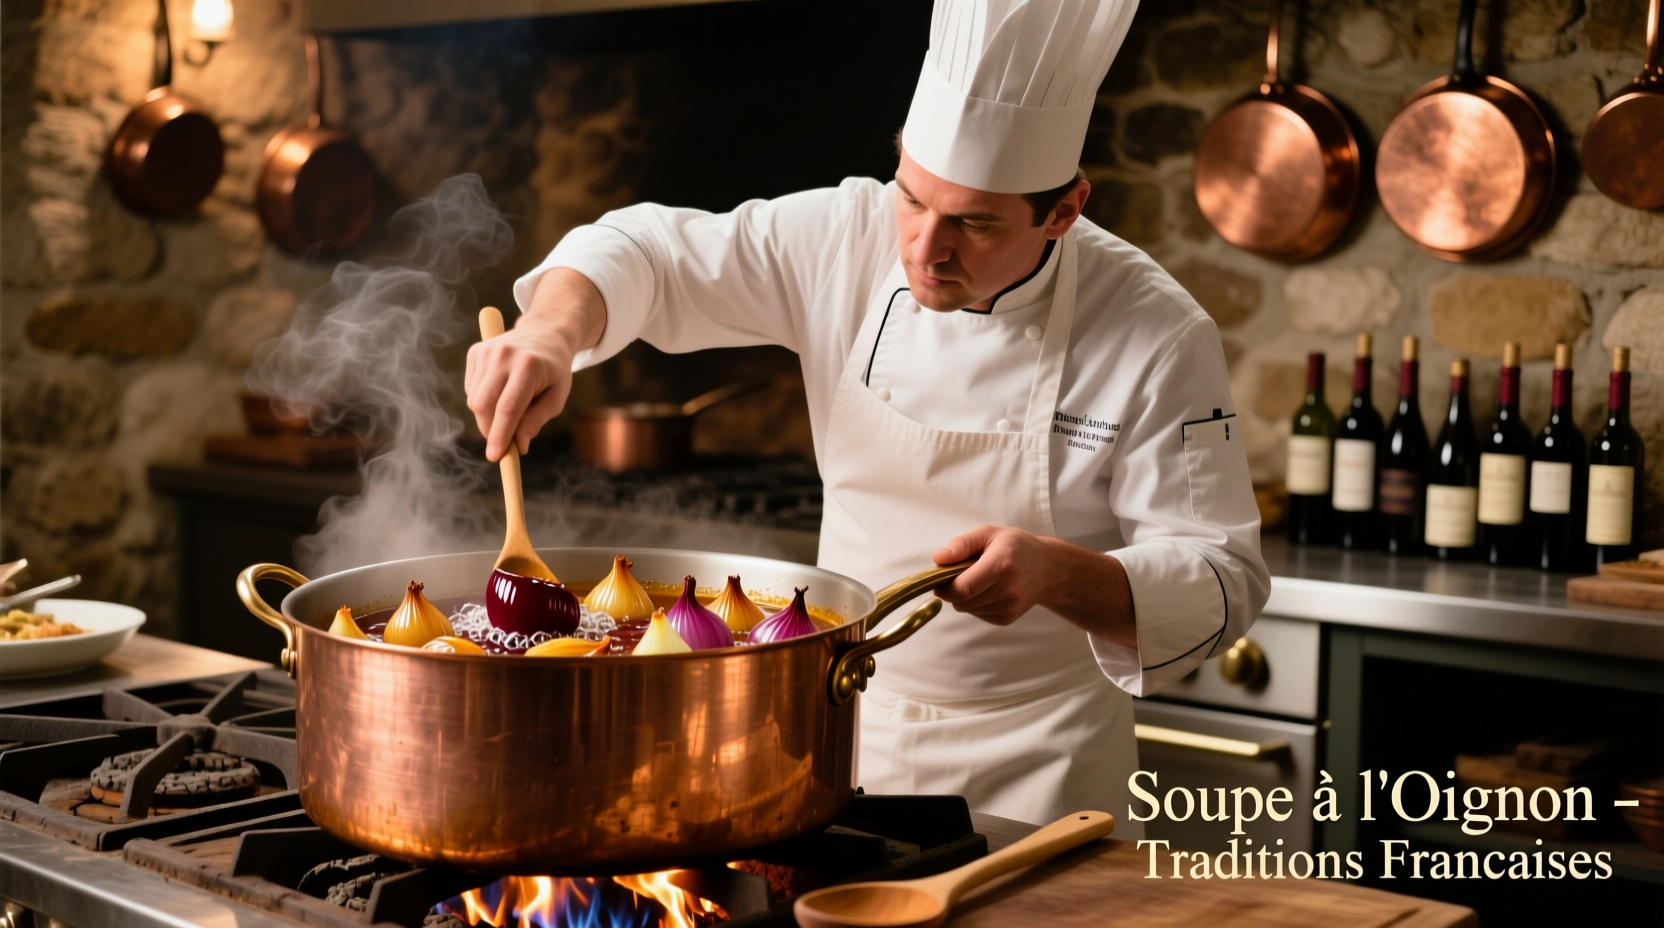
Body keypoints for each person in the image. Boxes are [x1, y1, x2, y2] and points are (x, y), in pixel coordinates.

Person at [466, 0, 1269, 828]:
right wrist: (553, 332)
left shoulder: (1157, 331)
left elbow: (1222, 580)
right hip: (835, 736)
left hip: (1040, 771)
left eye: (975, 223)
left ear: (1063, 213)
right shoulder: (844, 237)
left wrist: (1060, 574)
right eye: (914, 199)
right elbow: (646, 251)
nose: (925, 248)